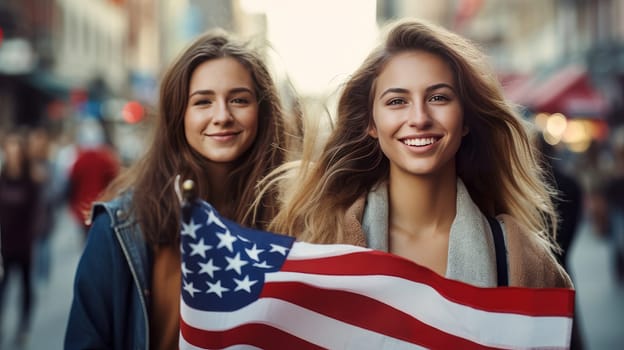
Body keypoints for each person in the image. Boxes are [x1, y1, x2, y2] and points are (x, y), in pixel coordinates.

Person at [267, 19, 572, 289]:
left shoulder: (524, 260)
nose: (419, 118)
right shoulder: (316, 243)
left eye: (438, 97)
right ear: (370, 123)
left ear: (465, 119)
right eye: (397, 101)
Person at [65, 29, 291, 350]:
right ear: (178, 115)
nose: (222, 116)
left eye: (239, 99)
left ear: (263, 111)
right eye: (203, 102)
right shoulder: (119, 229)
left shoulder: (298, 219)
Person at [0, 128, 39, 345]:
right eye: (10, 150)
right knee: (2, 288)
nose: (13, 154)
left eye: (16, 150)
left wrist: (35, 235)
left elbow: (37, 211)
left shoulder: (30, 180)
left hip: (24, 244)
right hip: (4, 244)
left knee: (25, 286)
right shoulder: (2, 177)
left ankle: (23, 327)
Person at [67, 118, 120, 237]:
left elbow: (71, 185)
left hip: (82, 210)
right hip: (102, 208)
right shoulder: (106, 160)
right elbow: (113, 183)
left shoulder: (79, 161)